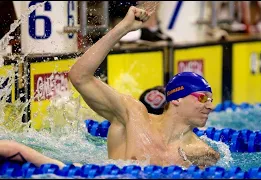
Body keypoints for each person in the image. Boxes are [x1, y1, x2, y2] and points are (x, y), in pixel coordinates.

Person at [68, 6, 220, 168]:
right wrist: (123, 28)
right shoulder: (132, 115)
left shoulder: (203, 154)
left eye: (210, 100)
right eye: (203, 98)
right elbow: (79, 76)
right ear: (177, 99)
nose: (210, 106)